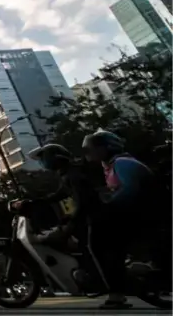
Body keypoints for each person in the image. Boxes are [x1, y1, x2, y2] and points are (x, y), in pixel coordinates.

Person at [82, 129, 154, 310]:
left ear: (105, 148)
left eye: (89, 149)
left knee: (100, 244)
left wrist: (107, 207)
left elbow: (130, 191)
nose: (86, 153)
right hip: (132, 216)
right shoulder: (111, 165)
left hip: (143, 216)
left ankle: (117, 292)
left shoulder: (123, 163)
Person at [13, 144, 97, 249]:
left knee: (59, 238)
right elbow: (58, 195)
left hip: (92, 218)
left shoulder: (73, 175)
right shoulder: (66, 174)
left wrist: (72, 219)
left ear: (54, 158)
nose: (42, 162)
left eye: (43, 158)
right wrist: (33, 203)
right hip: (87, 217)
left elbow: (83, 202)